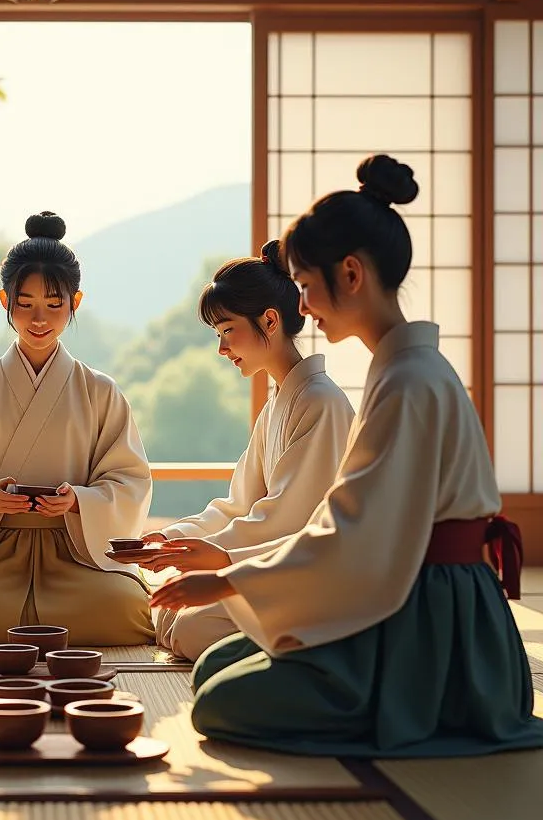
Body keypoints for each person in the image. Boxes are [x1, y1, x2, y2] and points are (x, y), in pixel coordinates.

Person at [151, 155, 543, 757]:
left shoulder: (408, 380)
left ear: (352, 275)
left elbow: (348, 536)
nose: (303, 306)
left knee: (216, 701)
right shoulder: (401, 371)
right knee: (215, 667)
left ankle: (408, 702)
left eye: (306, 287)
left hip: (429, 618)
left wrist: (226, 576)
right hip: (401, 587)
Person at [0, 211, 154, 646]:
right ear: (5, 301)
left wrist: (78, 502)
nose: (39, 318)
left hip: (76, 554)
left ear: (75, 303)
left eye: (53, 304)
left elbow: (130, 480)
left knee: (126, 610)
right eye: (24, 304)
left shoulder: (101, 391)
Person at [142, 241, 352, 661]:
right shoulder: (279, 403)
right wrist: (174, 540)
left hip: (313, 572)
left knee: (189, 624)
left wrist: (219, 556)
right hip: (266, 563)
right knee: (163, 613)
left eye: (227, 332)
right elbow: (239, 504)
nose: (222, 350)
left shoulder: (321, 402)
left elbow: (286, 520)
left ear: (269, 321)